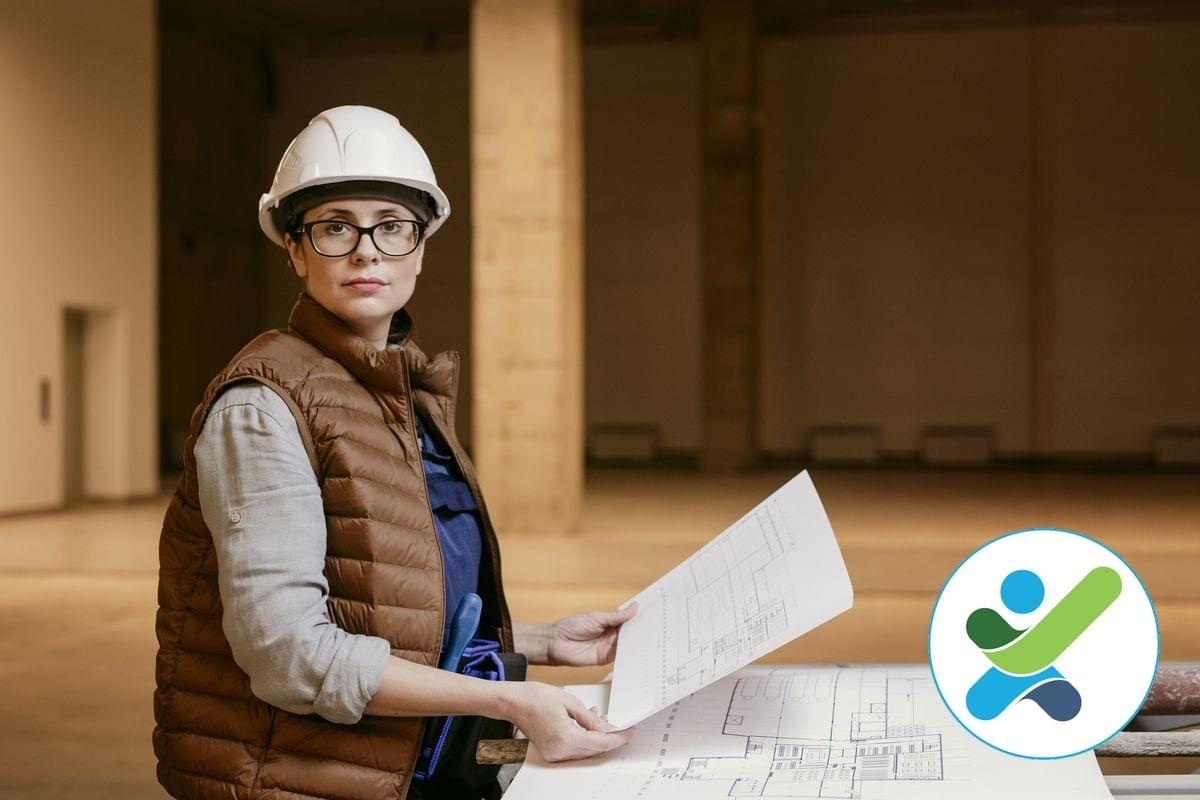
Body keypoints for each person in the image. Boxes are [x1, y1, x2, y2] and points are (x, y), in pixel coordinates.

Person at [153, 105, 635, 800]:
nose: (366, 249)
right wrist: (506, 703)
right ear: (294, 248)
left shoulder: (402, 390)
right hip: (296, 778)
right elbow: (291, 655)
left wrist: (541, 640)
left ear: (419, 246)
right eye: (334, 227)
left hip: (401, 767)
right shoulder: (262, 405)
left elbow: (387, 606)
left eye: (392, 225)